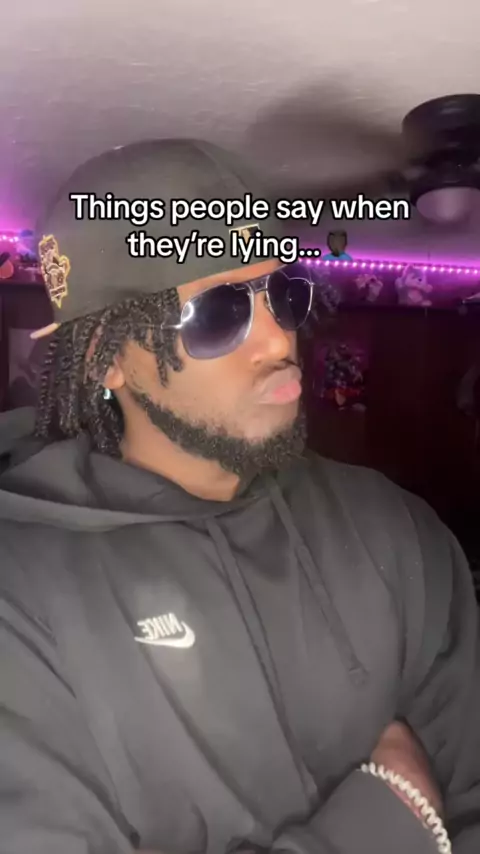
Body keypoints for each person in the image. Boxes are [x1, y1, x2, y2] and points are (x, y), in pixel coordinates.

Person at [0, 139, 479, 854]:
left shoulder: (393, 530)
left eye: (283, 295)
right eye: (219, 313)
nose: (279, 341)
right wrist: (395, 811)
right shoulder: (20, 599)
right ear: (105, 358)